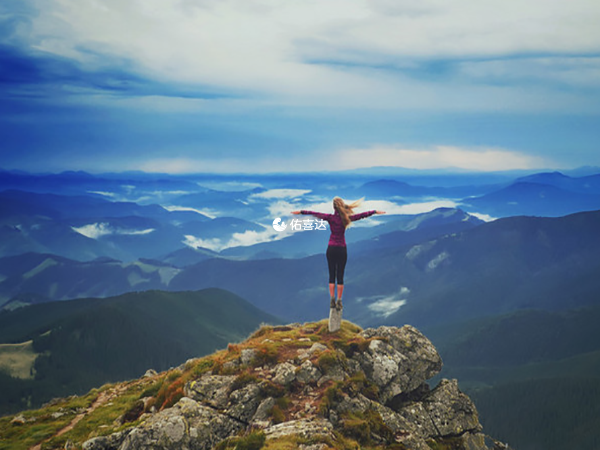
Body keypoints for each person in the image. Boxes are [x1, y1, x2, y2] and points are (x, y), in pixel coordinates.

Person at [292, 197, 385, 310]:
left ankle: (332, 299)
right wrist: (374, 212)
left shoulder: (330, 218)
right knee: (340, 276)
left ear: (333, 207)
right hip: (341, 249)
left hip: (331, 249)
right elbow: (361, 215)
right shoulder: (346, 218)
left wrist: (301, 212)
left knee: (332, 275)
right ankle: (339, 301)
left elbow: (315, 213)